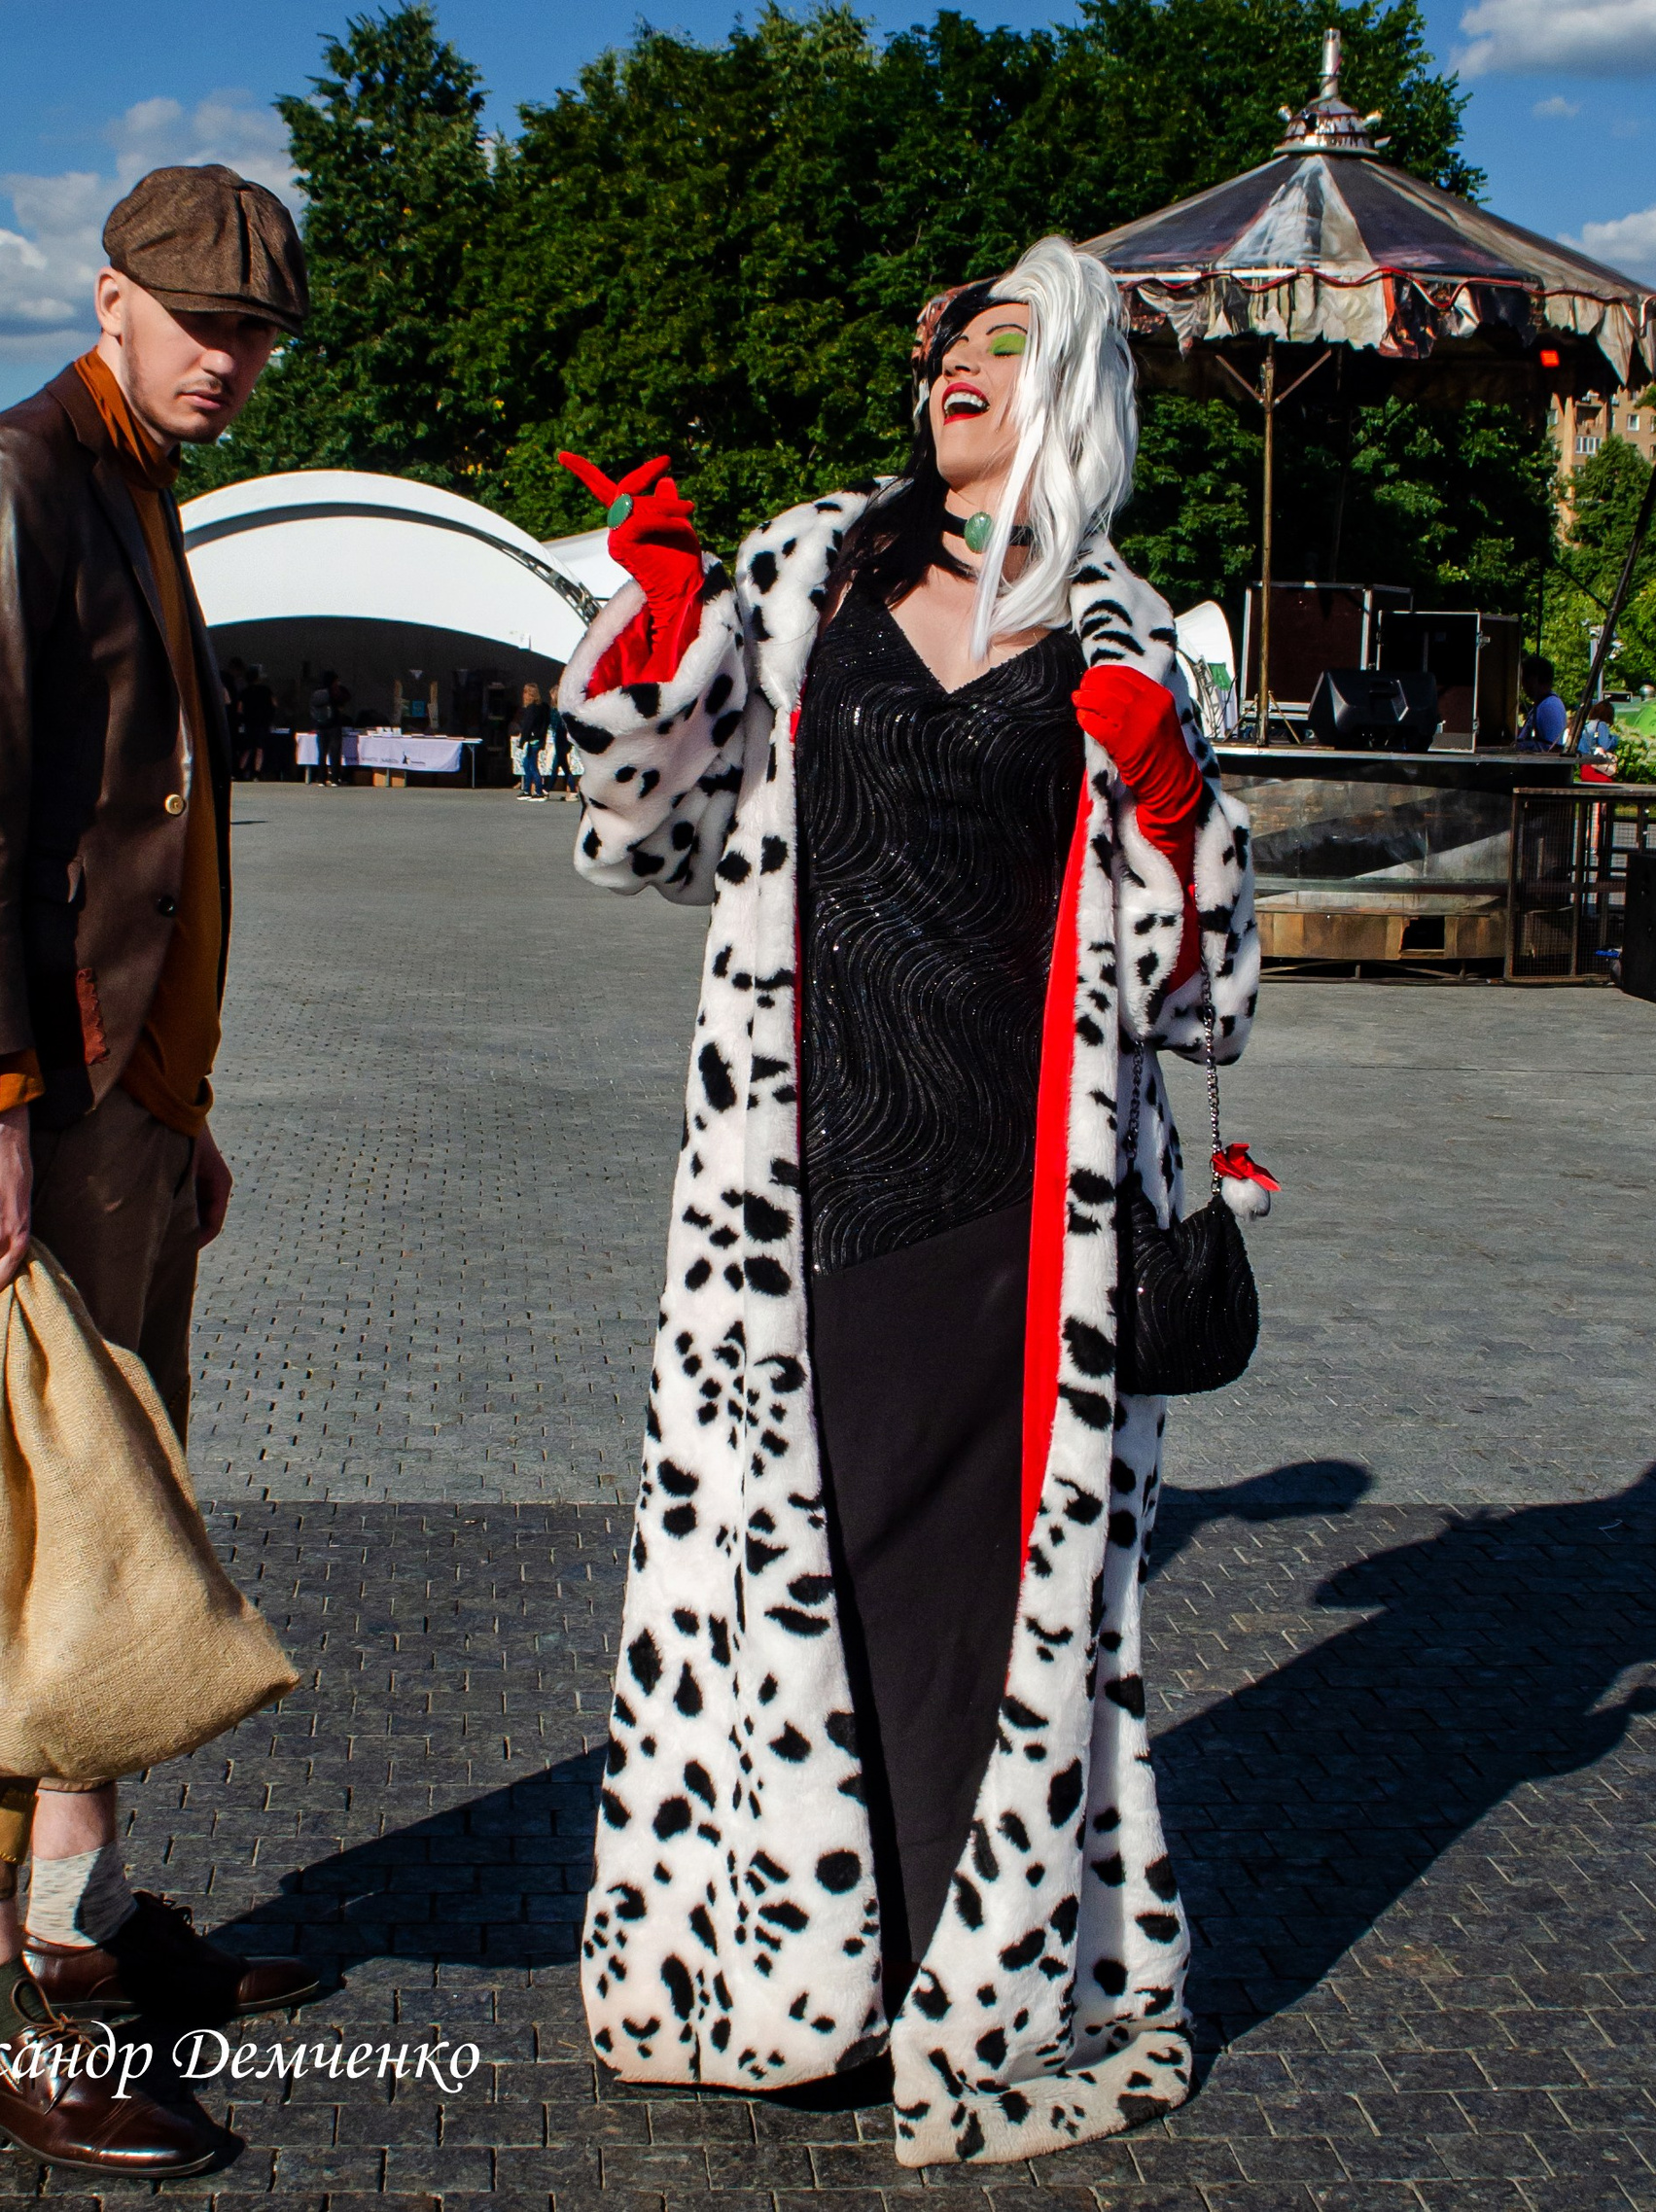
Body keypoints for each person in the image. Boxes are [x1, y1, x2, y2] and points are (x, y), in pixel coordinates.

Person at [555, 238, 1260, 2167]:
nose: (956, 359)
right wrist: (647, 637)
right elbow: (641, 841)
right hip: (798, 1191)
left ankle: (966, 1992)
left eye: (1004, 340)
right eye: (945, 334)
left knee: (979, 1624)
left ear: (1077, 386)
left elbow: (1211, 993)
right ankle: (778, 1982)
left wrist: (1177, 816)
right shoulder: (809, 574)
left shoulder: (1121, 638)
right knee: (792, 1588)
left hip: (1021, 1212)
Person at [0, 165, 319, 2179]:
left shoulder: (138, 476)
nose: (228, 355)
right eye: (195, 316)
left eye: (256, 328)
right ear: (106, 295)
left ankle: (82, 1932)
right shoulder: (18, 477)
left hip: (124, 1104)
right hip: (26, 1096)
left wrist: (176, 1106)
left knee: (119, 1521)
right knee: (13, 1542)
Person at [1515, 654, 1567, 752]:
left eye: (1524, 679)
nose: (1522, 684)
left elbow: (1552, 748)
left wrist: (1521, 746)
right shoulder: (1543, 704)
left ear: (1534, 679)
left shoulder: (1549, 707)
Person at [235, 662, 273, 779]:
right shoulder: (266, 690)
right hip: (262, 723)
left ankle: (240, 770)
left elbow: (239, 708)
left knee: (247, 748)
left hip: (249, 723)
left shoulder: (245, 691)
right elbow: (274, 704)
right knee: (259, 748)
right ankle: (257, 772)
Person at [515, 680, 546, 799]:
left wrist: (522, 741)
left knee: (531, 765)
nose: (523, 695)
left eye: (525, 692)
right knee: (527, 763)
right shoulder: (542, 707)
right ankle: (528, 789)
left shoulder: (531, 709)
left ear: (529, 694)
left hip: (533, 739)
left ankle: (538, 791)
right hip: (538, 739)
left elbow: (527, 726)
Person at [546, 681, 577, 794]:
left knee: (561, 766)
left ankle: (547, 789)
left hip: (560, 739)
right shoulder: (564, 710)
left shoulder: (557, 710)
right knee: (560, 766)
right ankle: (548, 789)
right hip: (563, 739)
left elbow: (556, 725)